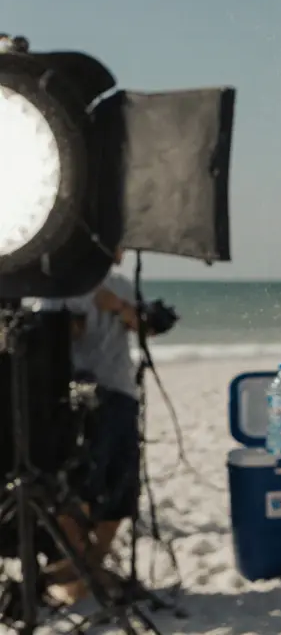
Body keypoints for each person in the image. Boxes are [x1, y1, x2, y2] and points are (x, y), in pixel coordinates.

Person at [32, 248, 154, 604]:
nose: (122, 252)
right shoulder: (57, 288)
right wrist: (71, 325)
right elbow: (44, 343)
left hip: (122, 392)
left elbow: (146, 329)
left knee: (122, 486)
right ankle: (76, 568)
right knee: (81, 488)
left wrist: (120, 309)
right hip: (78, 400)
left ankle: (89, 566)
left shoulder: (120, 284)